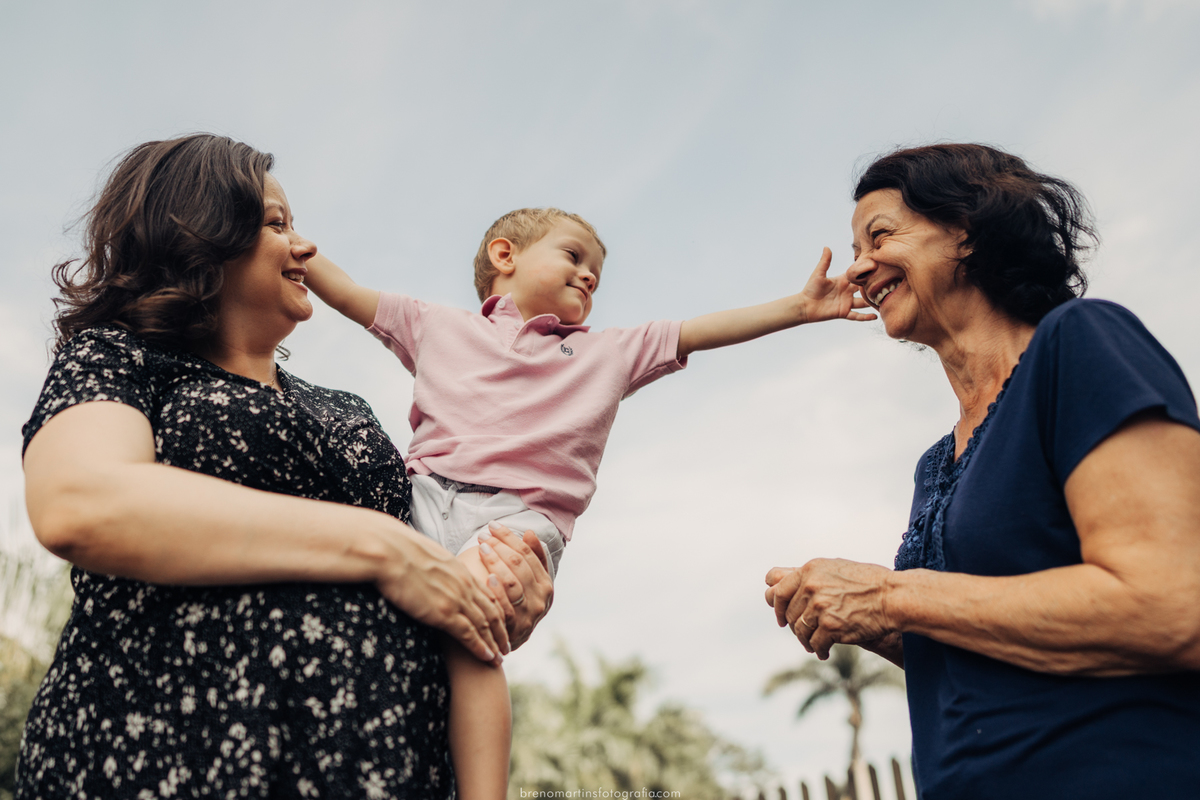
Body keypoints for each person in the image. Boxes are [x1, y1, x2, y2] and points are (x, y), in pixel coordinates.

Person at [18, 133, 554, 800]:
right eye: (277, 224)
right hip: (168, 759)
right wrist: (383, 546)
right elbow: (81, 502)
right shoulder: (119, 357)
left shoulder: (347, 407)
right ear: (202, 232)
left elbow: (432, 574)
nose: (305, 247)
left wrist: (494, 589)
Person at [303, 207, 877, 797]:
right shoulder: (434, 325)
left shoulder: (609, 352)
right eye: (574, 257)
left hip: (514, 520)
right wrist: (291, 242)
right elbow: (346, 294)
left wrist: (801, 308)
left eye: (597, 273)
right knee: (372, 621)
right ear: (506, 257)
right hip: (421, 499)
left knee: (472, 628)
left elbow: (701, 331)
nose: (590, 277)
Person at [764, 143, 1200, 799]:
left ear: (967, 229)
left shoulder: (1079, 343)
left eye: (878, 236)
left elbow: (1174, 607)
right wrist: (886, 626)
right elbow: (996, 640)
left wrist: (891, 597)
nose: (856, 268)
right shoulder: (935, 466)